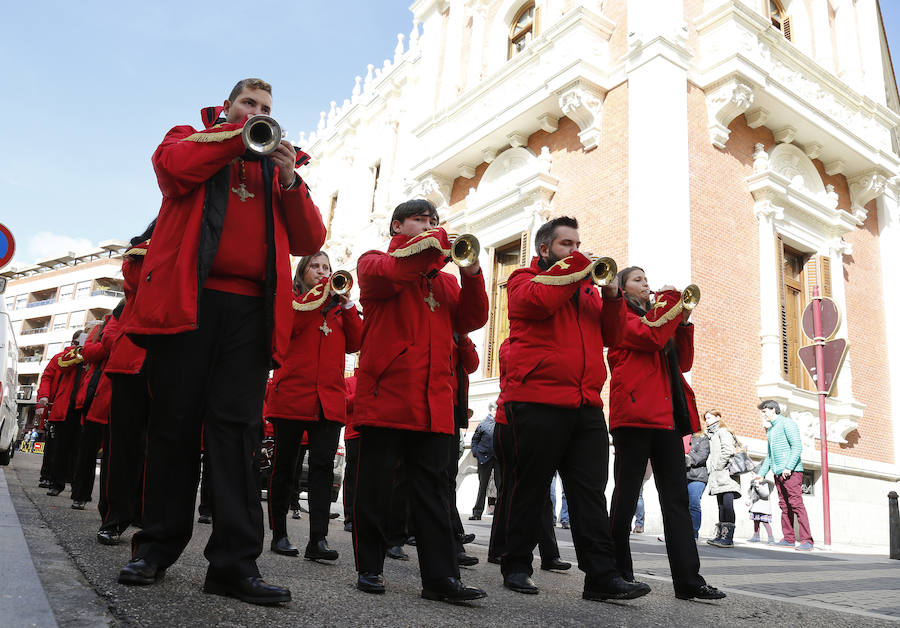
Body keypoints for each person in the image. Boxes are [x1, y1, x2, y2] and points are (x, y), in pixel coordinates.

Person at [118, 78, 326, 606]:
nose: (257, 113)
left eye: (265, 108)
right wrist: (236, 136)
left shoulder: (277, 165)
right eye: (249, 104)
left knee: (237, 438)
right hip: (189, 304)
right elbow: (172, 170)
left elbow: (309, 241)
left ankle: (234, 565)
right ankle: (155, 548)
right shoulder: (192, 135)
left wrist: (289, 178)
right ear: (228, 106)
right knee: (174, 429)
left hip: (251, 314)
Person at [500, 216, 645, 601]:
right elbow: (537, 303)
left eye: (577, 244)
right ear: (545, 249)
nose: (575, 251)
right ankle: (516, 564)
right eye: (567, 245)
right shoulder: (521, 279)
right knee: (530, 487)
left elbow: (614, 338)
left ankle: (601, 578)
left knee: (590, 495)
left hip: (586, 403)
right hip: (537, 398)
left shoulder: (586, 291)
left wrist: (613, 298)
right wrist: (578, 269)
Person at [351, 199, 488, 603]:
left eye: (434, 221)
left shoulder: (444, 282)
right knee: (375, 489)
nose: (429, 226)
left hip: (434, 403)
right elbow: (394, 273)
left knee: (433, 495)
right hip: (387, 396)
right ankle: (370, 567)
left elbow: (472, 319)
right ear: (398, 226)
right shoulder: (374, 261)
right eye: (420, 221)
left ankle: (441, 579)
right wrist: (437, 242)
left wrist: (471, 271)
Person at [607, 266, 724, 601]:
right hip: (635, 415)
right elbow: (651, 336)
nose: (647, 284)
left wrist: (684, 320)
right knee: (626, 496)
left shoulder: (662, 316)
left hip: (669, 416)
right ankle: (616, 573)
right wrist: (672, 304)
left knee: (676, 501)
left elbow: (683, 361)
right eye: (638, 280)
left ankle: (689, 580)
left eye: (647, 279)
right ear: (623, 288)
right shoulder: (620, 316)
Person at [264, 251, 362, 562]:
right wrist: (317, 297)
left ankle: (317, 540)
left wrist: (346, 304)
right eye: (315, 267)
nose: (322, 272)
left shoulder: (338, 309)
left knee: (322, 470)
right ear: (303, 271)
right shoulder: (292, 300)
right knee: (284, 468)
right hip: (292, 396)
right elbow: (289, 329)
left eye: (326, 268)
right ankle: (279, 534)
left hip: (328, 402)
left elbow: (356, 342)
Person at [488, 339, 570, 573]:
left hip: (536, 420)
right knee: (511, 490)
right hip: (510, 422)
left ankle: (549, 553)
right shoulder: (510, 345)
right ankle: (498, 548)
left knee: (542, 491)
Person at [97, 232, 152, 545]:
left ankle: (146, 513)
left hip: (170, 360)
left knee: (158, 446)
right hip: (130, 361)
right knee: (122, 446)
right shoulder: (140, 254)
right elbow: (133, 279)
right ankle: (115, 515)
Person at [756, 400, 813, 551]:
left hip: (791, 472)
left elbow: (797, 446)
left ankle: (807, 540)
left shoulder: (787, 423)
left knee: (796, 505)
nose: (763, 414)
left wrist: (789, 466)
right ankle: (788, 538)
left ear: (773, 409)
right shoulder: (770, 430)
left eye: (764, 411)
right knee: (784, 505)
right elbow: (769, 455)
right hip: (778, 472)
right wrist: (761, 474)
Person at [705, 410, 741, 548]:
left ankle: (728, 538)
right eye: (706, 418)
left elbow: (728, 451)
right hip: (718, 476)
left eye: (709, 418)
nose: (707, 421)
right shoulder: (713, 435)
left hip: (725, 475)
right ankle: (721, 535)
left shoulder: (722, 432)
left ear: (718, 418)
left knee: (727, 506)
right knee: (721, 506)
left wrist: (718, 466)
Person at [469, 402, 497, 521]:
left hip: (498, 459)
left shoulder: (502, 424)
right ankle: (477, 512)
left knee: (501, 486)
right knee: (482, 486)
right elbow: (474, 440)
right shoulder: (483, 424)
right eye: (496, 409)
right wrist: (476, 453)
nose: (498, 411)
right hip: (484, 459)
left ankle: (502, 514)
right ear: (491, 410)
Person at [684, 416, 710, 540]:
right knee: (679, 505)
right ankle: (679, 531)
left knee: (693, 504)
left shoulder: (703, 438)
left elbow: (702, 456)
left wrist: (686, 457)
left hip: (697, 477)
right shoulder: (682, 436)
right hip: (681, 475)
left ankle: (693, 533)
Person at [746, 476, 775, 543]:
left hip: (763, 508)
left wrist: (758, 486)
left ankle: (771, 538)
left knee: (765, 523)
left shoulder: (765, 483)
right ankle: (756, 536)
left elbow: (765, 494)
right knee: (756, 522)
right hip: (756, 507)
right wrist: (749, 500)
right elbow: (752, 494)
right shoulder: (753, 483)